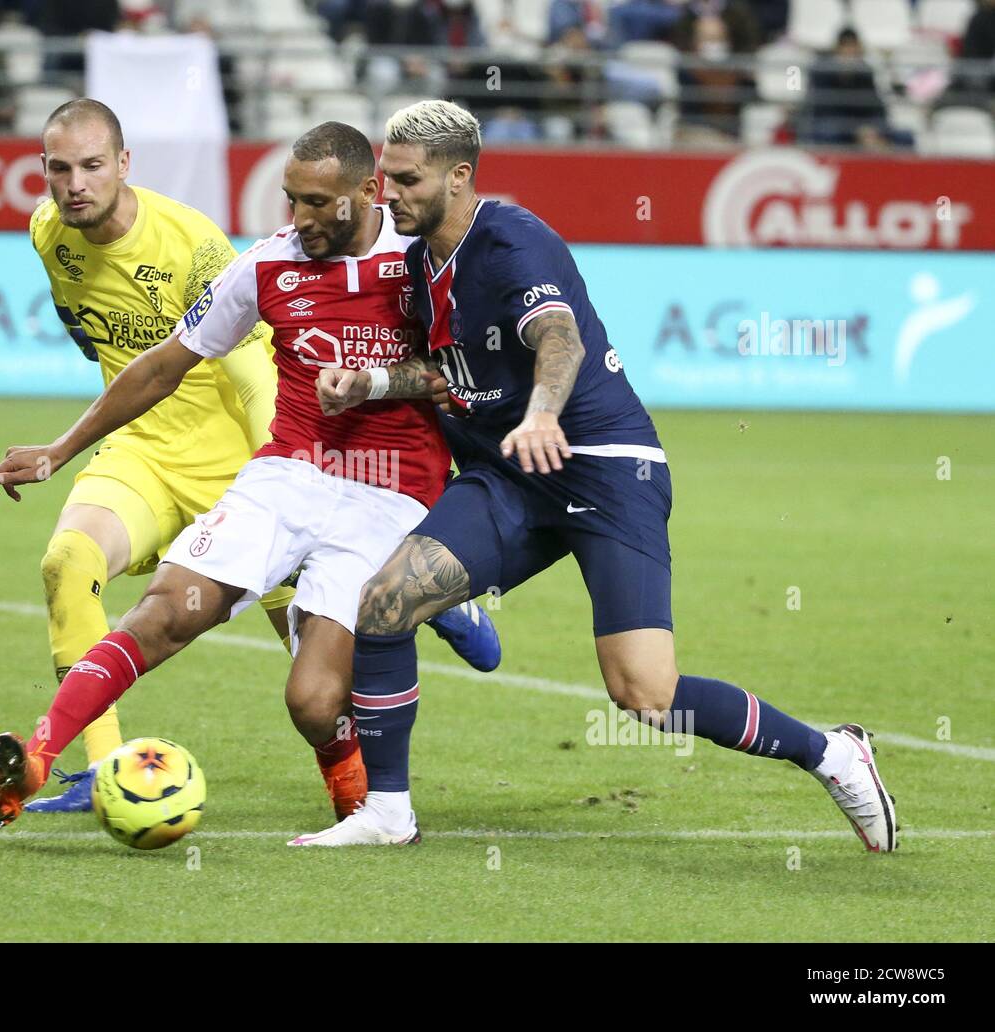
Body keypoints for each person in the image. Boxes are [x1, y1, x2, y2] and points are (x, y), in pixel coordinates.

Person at [290, 100, 898, 852]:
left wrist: (544, 412)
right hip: (512, 474)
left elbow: (559, 337)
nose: (389, 194)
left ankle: (833, 753)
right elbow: (450, 372)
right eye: (386, 178)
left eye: (407, 180)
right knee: (383, 602)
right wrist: (371, 384)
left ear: (459, 176)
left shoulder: (512, 241)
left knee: (644, 693)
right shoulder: (420, 266)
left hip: (605, 469)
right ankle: (387, 812)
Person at [0, 120, 501, 828]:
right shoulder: (266, 265)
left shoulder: (425, 259)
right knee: (164, 614)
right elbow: (166, 365)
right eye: (292, 200)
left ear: (368, 192)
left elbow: (468, 372)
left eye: (320, 204)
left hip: (391, 490)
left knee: (312, 700)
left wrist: (381, 388)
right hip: (288, 473)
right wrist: (58, 450)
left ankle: (374, 766)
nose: (302, 220)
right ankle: (39, 755)